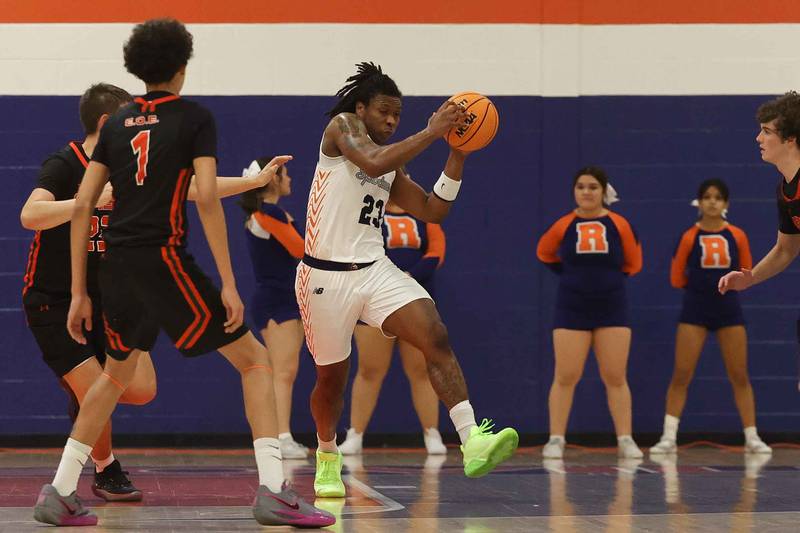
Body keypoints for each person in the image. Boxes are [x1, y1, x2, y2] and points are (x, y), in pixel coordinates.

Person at [32, 18, 333, 528]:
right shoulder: (194, 118)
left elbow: (83, 204)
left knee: (114, 376)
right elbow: (207, 197)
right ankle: (275, 490)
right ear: (182, 67)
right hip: (162, 259)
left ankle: (60, 491)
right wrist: (230, 282)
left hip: (115, 267)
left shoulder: (119, 122)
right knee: (257, 363)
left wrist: (81, 291)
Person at [20, 84, 287, 502]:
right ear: (108, 124)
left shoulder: (129, 167)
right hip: (54, 298)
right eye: (130, 118)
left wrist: (254, 181)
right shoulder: (65, 163)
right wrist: (87, 202)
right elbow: (30, 215)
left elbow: (198, 189)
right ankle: (103, 471)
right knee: (97, 393)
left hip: (112, 293)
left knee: (139, 390)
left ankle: (72, 450)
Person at [296, 62, 518, 499]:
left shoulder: (390, 169)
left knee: (434, 332)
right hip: (324, 276)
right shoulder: (342, 129)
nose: (392, 121)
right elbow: (374, 158)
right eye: (385, 112)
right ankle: (327, 454)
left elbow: (433, 211)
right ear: (361, 108)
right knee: (331, 382)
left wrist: (457, 155)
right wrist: (434, 132)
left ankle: (471, 439)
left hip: (374, 269)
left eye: (398, 115)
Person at [650, 179, 771, 455]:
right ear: (699, 202)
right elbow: (676, 276)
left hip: (729, 310)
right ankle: (668, 437)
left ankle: (752, 437)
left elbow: (747, 272)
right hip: (695, 310)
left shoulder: (737, 235)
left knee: (739, 374)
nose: (713, 201)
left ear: (726, 204)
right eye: (707, 197)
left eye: (718, 197)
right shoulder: (689, 236)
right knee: (682, 373)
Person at [536, 167, 644, 459]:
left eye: (593, 187)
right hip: (571, 307)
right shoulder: (563, 225)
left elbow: (634, 263)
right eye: (581, 186)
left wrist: (604, 282)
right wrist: (572, 277)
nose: (586, 192)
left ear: (603, 191)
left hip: (612, 306)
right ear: (574, 191)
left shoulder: (620, 224)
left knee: (615, 375)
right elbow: (544, 252)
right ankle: (556, 438)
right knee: (566, 375)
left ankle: (625, 439)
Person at [339, 197, 448, 455]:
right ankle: (355, 435)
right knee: (369, 370)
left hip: (415, 301)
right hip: (374, 301)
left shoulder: (424, 217)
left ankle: (432, 433)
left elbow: (436, 252)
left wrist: (407, 278)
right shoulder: (370, 215)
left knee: (421, 370)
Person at [239, 157, 308, 459]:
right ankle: (280, 437)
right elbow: (300, 250)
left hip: (285, 298)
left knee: (285, 370)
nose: (290, 178)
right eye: (285, 174)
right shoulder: (267, 213)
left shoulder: (272, 213)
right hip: (275, 299)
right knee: (283, 371)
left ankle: (280, 435)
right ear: (273, 178)